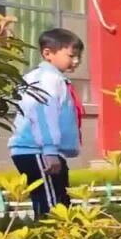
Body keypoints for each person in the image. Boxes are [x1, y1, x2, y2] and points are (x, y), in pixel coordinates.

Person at [9, 28, 85, 219]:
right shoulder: (46, 79)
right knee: (51, 207)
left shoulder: (54, 78)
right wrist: (49, 150)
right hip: (37, 151)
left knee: (60, 202)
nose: (76, 61)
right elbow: (43, 114)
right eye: (71, 55)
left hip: (44, 151)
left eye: (79, 57)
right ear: (48, 53)